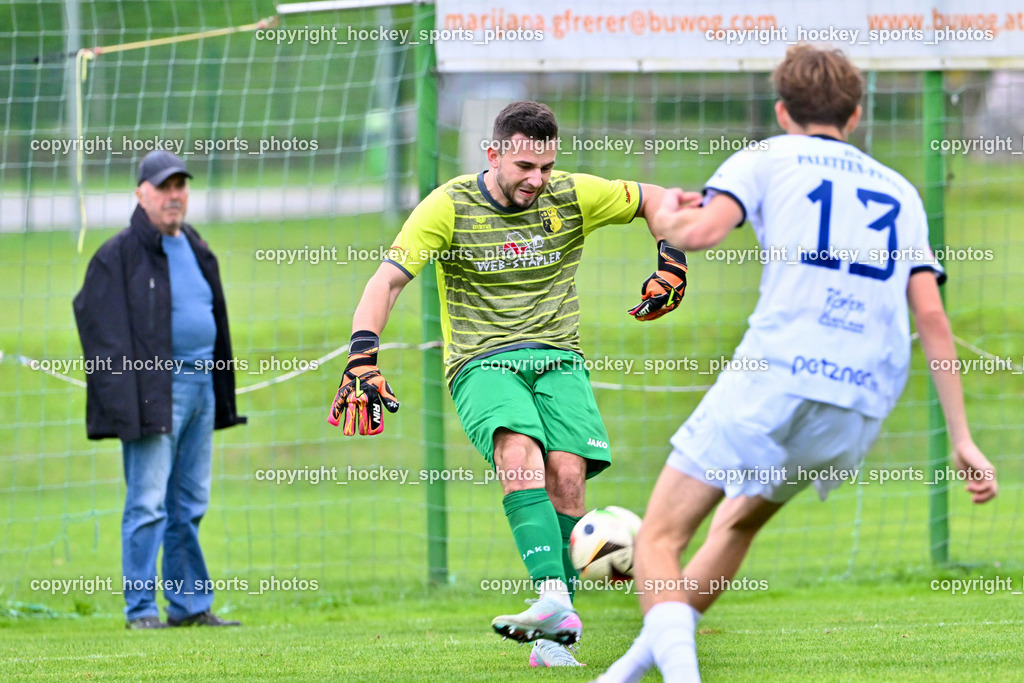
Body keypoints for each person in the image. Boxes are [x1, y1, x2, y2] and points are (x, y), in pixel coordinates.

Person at [599, 44, 999, 682]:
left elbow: (700, 233)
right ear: (856, 114)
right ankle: (624, 673)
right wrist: (963, 439)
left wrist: (668, 217)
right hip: (858, 399)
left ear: (783, 111)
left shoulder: (766, 156)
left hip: (776, 376)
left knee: (659, 537)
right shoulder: (899, 190)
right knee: (737, 521)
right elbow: (932, 317)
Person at [327, 100, 697, 667]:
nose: (537, 179)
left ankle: (552, 638)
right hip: (482, 359)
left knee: (568, 474)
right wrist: (362, 357)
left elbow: (659, 199)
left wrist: (672, 259)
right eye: (525, 166)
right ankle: (552, 597)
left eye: (546, 167)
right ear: (494, 154)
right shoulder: (449, 205)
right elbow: (388, 281)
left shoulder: (572, 193)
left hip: (559, 356)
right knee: (519, 450)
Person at [74, 150, 247, 630]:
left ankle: (189, 605)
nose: (174, 196)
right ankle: (141, 609)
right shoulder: (117, 255)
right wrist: (127, 400)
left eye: (180, 186)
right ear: (140, 193)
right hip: (154, 393)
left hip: (202, 388)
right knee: (148, 504)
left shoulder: (196, 245)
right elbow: (101, 334)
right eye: (163, 187)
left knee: (188, 503)